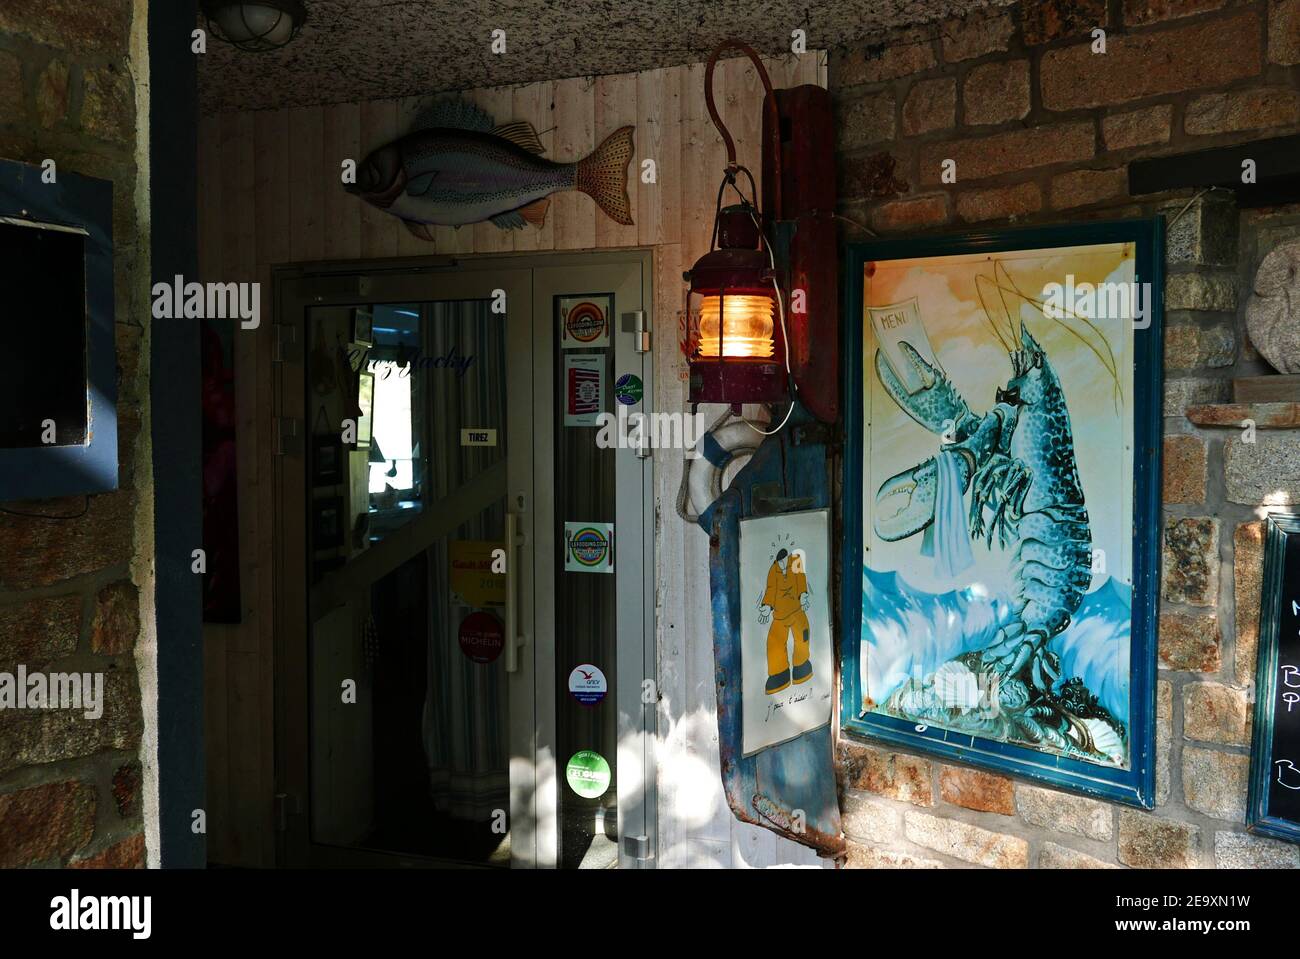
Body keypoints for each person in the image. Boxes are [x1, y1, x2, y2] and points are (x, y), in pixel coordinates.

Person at [758, 548, 812, 694]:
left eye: (783, 562)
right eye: (779, 563)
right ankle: (779, 674)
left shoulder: (796, 561)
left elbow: (801, 579)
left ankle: (801, 666)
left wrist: (803, 595)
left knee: (803, 635)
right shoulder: (773, 570)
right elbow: (770, 590)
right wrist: (767, 606)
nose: (781, 565)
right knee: (774, 642)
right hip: (780, 615)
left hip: (796, 610)